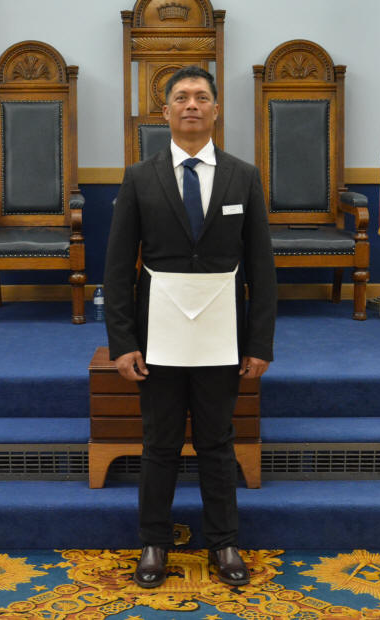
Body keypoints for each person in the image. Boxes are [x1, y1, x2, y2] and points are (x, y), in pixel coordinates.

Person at [103, 65, 277, 588]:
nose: (192, 105)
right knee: (159, 443)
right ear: (166, 112)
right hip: (158, 333)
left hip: (223, 333)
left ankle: (224, 543)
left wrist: (260, 342)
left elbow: (262, 267)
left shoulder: (243, 176)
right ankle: (153, 542)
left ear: (216, 110)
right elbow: (117, 268)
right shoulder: (140, 177)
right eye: (181, 97)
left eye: (202, 97)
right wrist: (122, 343)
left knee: (217, 442)